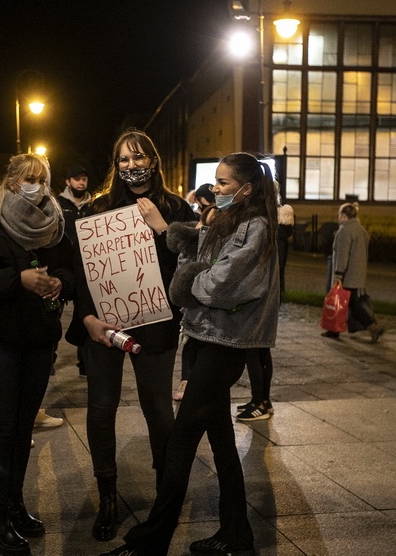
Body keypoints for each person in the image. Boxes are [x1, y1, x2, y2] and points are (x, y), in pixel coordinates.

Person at [101, 152, 280, 556]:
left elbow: (221, 283)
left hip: (228, 342)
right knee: (219, 440)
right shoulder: (226, 220)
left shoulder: (257, 228)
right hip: (203, 337)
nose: (215, 189)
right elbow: (196, 259)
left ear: (247, 189)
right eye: (215, 182)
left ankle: (151, 541)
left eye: (224, 183)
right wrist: (181, 244)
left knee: (181, 441)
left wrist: (186, 283)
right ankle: (237, 534)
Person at [76, 129, 196, 542]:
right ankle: (107, 495)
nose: (132, 165)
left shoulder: (177, 207)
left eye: (139, 157)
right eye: (124, 159)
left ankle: (166, 496)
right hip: (105, 323)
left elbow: (193, 263)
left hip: (157, 322)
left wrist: (163, 226)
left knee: (159, 410)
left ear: (154, 160)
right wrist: (88, 318)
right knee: (102, 406)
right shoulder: (96, 209)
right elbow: (81, 272)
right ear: (115, 165)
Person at [0, 153, 75, 556]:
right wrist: (18, 278)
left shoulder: (55, 226)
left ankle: (16, 505)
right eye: (30, 179)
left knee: (24, 431)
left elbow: (71, 270)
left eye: (43, 179)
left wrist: (61, 282)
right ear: (11, 183)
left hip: (41, 342)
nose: (38, 186)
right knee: (5, 430)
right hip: (3, 344)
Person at [235, 188, 293, 422]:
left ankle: (260, 402)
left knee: (254, 349)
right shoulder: (272, 227)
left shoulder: (271, 230)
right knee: (259, 349)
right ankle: (261, 400)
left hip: (264, 296)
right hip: (266, 295)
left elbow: (271, 268)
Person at [173, 182, 216, 402]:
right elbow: (184, 265)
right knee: (190, 341)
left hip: (213, 305)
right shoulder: (196, 227)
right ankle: (187, 379)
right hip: (193, 303)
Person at [321, 202, 385, 343]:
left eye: (340, 215)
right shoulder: (361, 230)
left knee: (350, 304)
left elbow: (343, 256)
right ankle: (334, 330)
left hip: (347, 275)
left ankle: (372, 326)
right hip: (358, 274)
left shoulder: (345, 231)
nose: (338, 218)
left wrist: (338, 275)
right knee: (349, 303)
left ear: (344, 216)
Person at [56, 164, 92, 377]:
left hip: (87, 268)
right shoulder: (58, 204)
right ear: (68, 181)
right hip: (63, 266)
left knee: (84, 312)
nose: (81, 182)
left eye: (84, 179)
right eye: (76, 178)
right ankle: (49, 359)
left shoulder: (93, 205)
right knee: (54, 313)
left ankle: (85, 364)